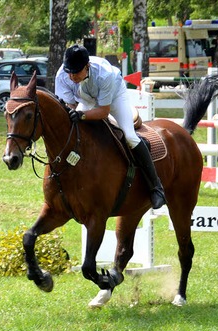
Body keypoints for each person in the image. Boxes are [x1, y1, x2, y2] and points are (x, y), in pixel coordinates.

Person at [55, 44, 166, 209]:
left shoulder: (104, 75)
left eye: (76, 72)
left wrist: (81, 115)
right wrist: (74, 115)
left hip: (113, 97)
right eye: (69, 71)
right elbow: (69, 106)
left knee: (130, 136)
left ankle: (156, 187)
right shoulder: (62, 75)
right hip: (86, 99)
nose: (71, 76)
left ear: (87, 66)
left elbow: (103, 112)